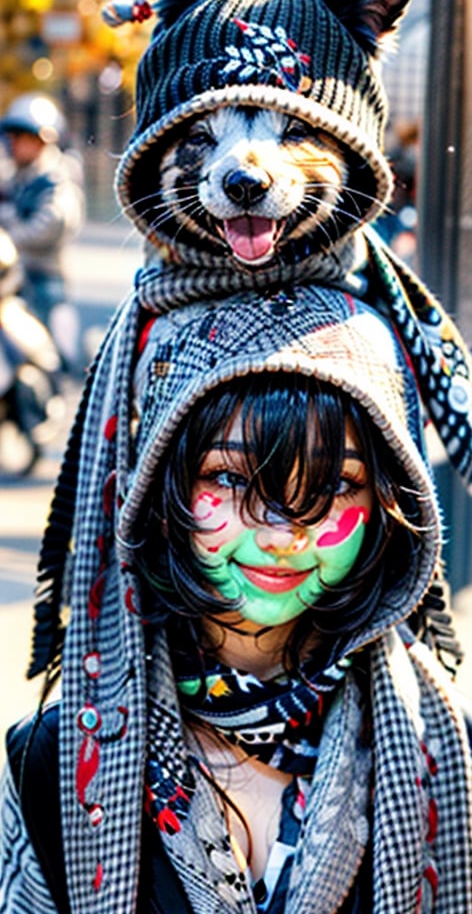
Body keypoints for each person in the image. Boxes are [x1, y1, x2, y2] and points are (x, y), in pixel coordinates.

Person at [1, 281, 471, 913]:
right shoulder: (53, 761)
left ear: (388, 504)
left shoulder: (449, 754)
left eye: (335, 483)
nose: (281, 533)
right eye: (229, 476)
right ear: (160, 492)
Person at [0, 93, 85, 373]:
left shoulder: (55, 177)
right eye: (11, 136)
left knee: (45, 353)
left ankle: (50, 398)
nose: (13, 144)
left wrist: (10, 239)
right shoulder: (16, 175)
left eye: (20, 136)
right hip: (14, 274)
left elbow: (55, 222)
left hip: (43, 276)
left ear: (41, 139)